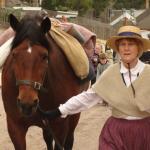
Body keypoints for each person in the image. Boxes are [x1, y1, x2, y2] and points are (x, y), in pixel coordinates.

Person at [39, 25, 150, 150]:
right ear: (118, 48)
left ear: (139, 48)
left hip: (145, 132)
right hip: (116, 132)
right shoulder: (111, 73)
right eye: (122, 44)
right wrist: (59, 111)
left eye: (131, 44)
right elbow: (89, 97)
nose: (126, 48)